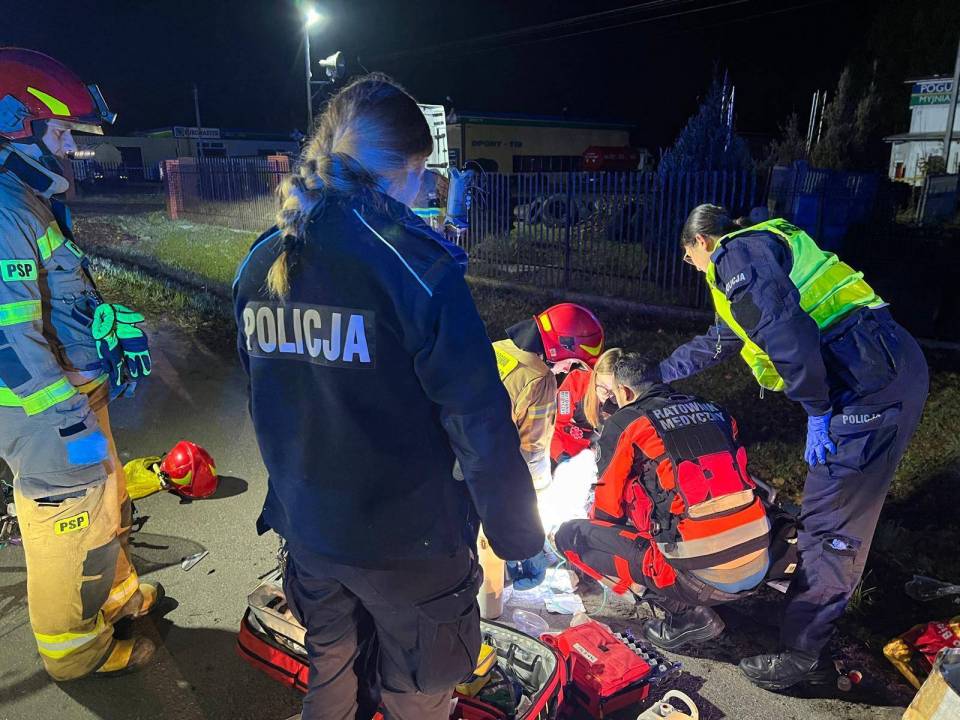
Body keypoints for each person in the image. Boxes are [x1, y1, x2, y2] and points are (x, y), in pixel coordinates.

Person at [233, 74, 544, 720]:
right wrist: (517, 535)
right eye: (421, 173)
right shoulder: (418, 269)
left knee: (331, 674)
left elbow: (265, 400)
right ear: (402, 168)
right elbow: (478, 419)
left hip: (310, 533)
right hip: (411, 547)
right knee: (416, 694)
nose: (423, 189)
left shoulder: (260, 261)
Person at [659, 204, 929, 690]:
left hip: (865, 381)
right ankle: (809, 628)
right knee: (838, 515)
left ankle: (804, 658)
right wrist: (655, 376)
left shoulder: (736, 253)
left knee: (832, 524)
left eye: (687, 256)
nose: (692, 266)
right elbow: (719, 341)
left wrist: (817, 409)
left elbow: (787, 330)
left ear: (701, 241)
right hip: (880, 364)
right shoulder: (762, 251)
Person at [0, 48, 160, 679]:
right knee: (67, 523)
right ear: (15, 124)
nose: (71, 146)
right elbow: (7, 338)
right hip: (45, 411)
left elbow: (50, 301)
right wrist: (62, 413)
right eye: (62, 131)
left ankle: (115, 597)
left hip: (74, 398)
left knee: (104, 495)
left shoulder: (25, 200)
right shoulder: (4, 210)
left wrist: (99, 326)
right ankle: (75, 651)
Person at [555, 352, 771, 650]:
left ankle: (686, 614)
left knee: (572, 536)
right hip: (759, 558)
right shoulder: (715, 410)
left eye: (613, 395)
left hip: (701, 576)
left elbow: (606, 512)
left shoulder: (627, 422)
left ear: (625, 391)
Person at [493, 303, 605, 491]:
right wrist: (543, 489)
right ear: (560, 347)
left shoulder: (499, 347)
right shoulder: (541, 379)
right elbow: (533, 451)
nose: (567, 369)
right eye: (571, 360)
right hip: (497, 471)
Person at [551, 347, 623, 466]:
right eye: (602, 385)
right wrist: (561, 456)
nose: (606, 394)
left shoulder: (625, 399)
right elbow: (555, 424)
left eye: (613, 390)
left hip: (600, 457)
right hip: (565, 451)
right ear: (595, 375)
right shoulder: (575, 382)